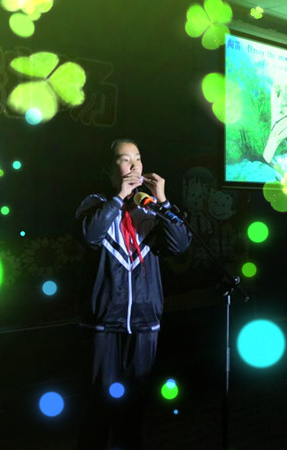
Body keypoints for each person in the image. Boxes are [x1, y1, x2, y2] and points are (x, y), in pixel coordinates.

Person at [75, 139, 191, 449]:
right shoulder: (95, 203)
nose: (134, 165)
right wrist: (118, 198)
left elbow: (180, 244)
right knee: (97, 409)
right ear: (108, 169)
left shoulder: (152, 209)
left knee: (133, 410)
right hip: (104, 323)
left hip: (144, 323)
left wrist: (163, 201)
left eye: (138, 158)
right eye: (125, 159)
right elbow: (89, 236)